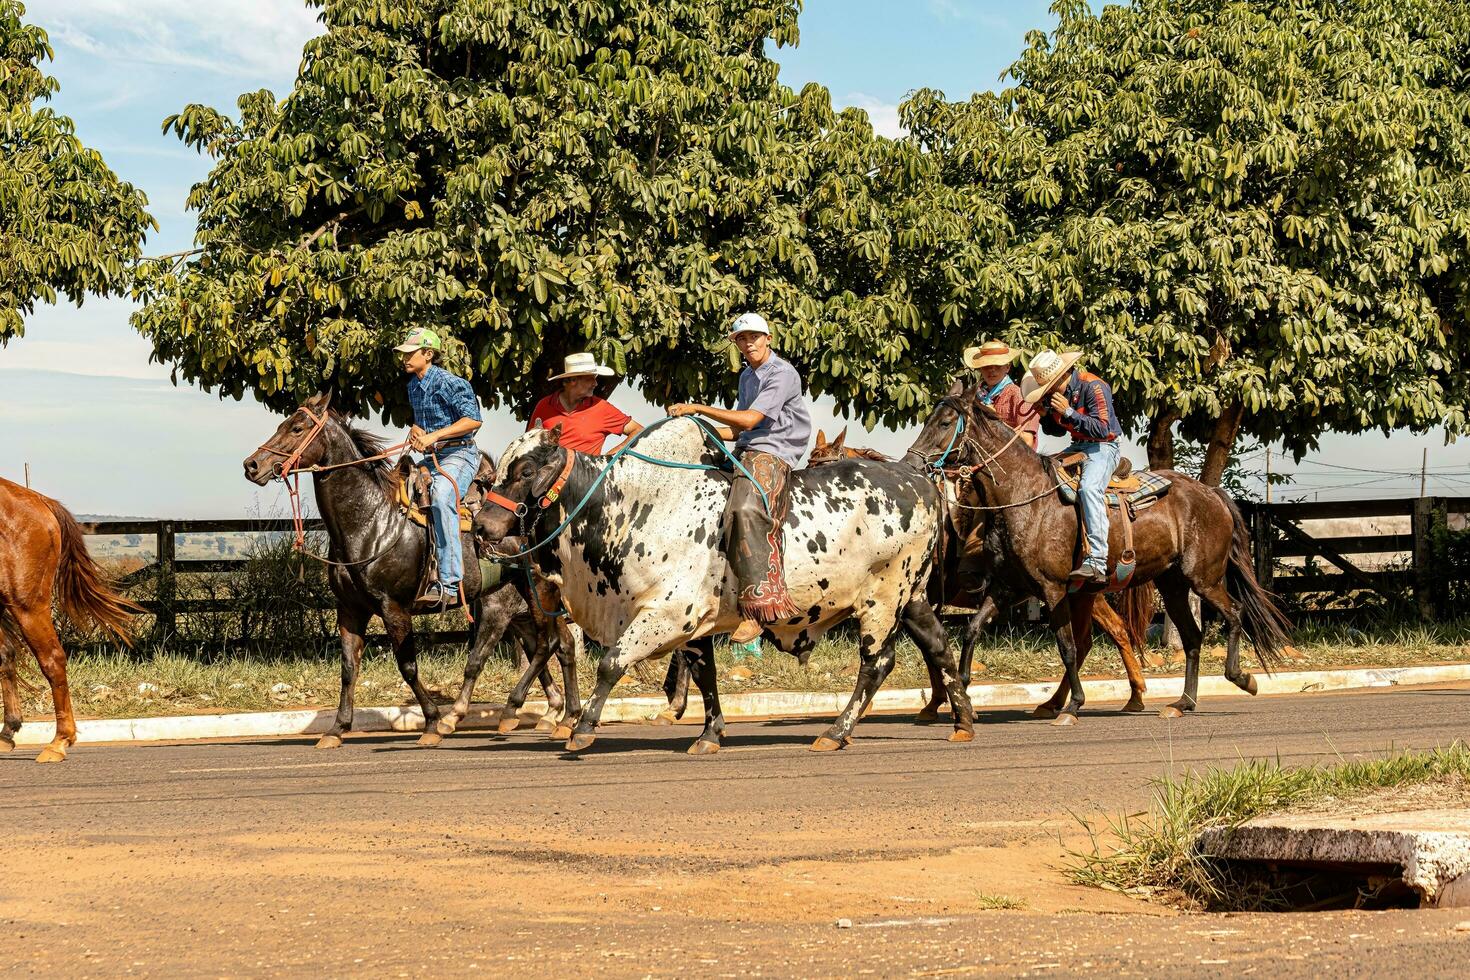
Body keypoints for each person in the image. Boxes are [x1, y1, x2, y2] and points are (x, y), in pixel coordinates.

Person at [669, 312, 812, 643]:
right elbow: (736, 430)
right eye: (742, 339)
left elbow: (749, 420)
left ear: (768, 338)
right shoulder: (747, 376)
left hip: (774, 451)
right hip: (748, 447)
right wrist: (692, 430)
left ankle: (759, 608)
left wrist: (698, 409)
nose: (749, 344)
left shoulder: (782, 373)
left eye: (754, 337)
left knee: (743, 511)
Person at [396, 327, 483, 606]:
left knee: (443, 495)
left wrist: (433, 436)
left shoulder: (451, 382)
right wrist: (417, 430)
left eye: (411, 353)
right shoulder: (413, 386)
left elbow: (473, 421)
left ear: (428, 354)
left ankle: (449, 582)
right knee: (393, 486)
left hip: (460, 454)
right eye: (404, 353)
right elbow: (424, 422)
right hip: (431, 458)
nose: (405, 358)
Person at [1021, 349, 1122, 584]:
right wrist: (1047, 416)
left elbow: (1102, 428)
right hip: (1077, 446)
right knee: (1042, 475)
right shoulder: (1056, 395)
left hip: (1104, 447)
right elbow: (1058, 430)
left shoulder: (1093, 386)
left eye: (1047, 388)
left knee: (1089, 488)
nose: (1046, 393)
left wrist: (1067, 411)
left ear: (1062, 375)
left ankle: (1097, 560)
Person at [528, 352, 643, 453]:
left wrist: (610, 458)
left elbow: (638, 430)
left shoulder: (601, 408)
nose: (595, 383)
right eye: (590, 379)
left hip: (589, 477)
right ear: (573, 380)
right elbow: (528, 443)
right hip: (550, 477)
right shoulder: (544, 405)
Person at [962, 340, 1039, 448]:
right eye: (986, 366)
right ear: (980, 369)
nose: (992, 371)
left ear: (1007, 367)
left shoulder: (1019, 396)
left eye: (997, 366)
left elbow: (1027, 442)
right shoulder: (975, 396)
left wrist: (995, 420)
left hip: (1015, 461)